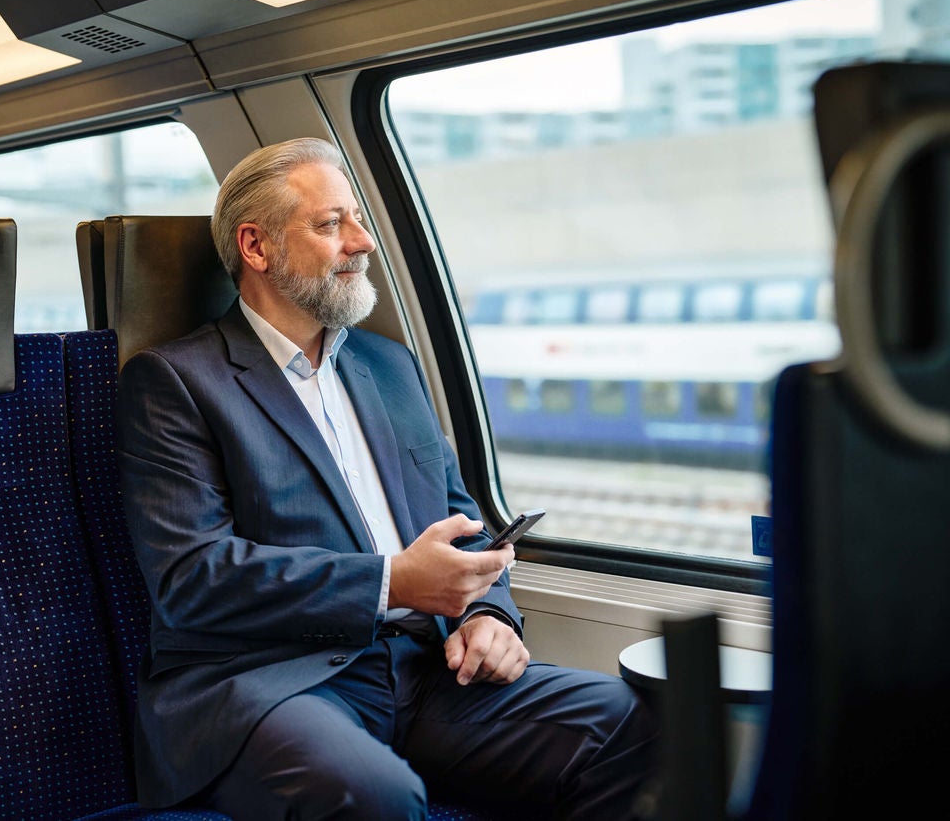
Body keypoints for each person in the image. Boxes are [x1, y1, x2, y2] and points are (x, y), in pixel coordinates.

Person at [115, 137, 658, 820]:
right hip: (271, 684)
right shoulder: (175, 382)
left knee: (625, 720)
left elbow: (462, 520)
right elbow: (191, 580)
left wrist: (488, 613)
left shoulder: (388, 364)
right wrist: (391, 582)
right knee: (371, 797)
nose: (363, 242)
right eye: (330, 223)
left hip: (427, 672)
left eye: (357, 219)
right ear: (256, 248)